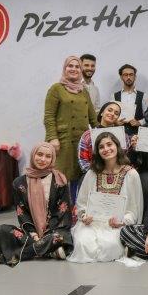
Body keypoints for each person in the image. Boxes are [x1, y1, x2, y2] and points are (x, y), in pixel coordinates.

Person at [0, 143, 73, 266]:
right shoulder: (19, 183)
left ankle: (4, 256)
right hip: (30, 234)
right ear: (33, 155)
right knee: (2, 230)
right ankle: (48, 251)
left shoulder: (59, 180)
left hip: (53, 231)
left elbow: (63, 212)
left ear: (53, 159)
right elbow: (22, 212)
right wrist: (34, 234)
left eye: (48, 156)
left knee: (61, 236)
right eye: (39, 154)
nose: (43, 159)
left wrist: (47, 233)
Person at [67, 132, 143, 263]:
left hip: (117, 224)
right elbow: (81, 203)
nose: (106, 149)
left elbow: (134, 208)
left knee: (110, 246)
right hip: (92, 223)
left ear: (117, 146)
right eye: (101, 147)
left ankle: (125, 247)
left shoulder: (131, 174)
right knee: (83, 244)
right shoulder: (91, 173)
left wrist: (122, 221)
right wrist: (84, 216)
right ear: (97, 152)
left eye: (109, 144)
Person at [44, 56, 98, 199]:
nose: (74, 69)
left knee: (78, 177)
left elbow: (93, 118)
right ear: (65, 68)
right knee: (59, 177)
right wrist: (53, 138)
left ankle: (75, 208)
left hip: (81, 142)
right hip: (62, 141)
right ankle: (58, 210)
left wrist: (104, 135)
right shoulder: (56, 88)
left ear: (80, 70)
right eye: (70, 66)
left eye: (77, 66)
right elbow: (49, 117)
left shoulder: (84, 91)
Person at [78, 101, 130, 174]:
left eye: (116, 113)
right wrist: (96, 174)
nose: (112, 114)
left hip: (118, 175)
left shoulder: (124, 136)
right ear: (102, 113)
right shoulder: (87, 135)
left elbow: (126, 157)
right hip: (94, 174)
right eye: (109, 110)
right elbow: (83, 161)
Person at [113, 64, 146, 136]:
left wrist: (139, 122)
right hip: (119, 134)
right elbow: (111, 115)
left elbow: (147, 116)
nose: (128, 77)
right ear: (121, 77)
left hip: (137, 134)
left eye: (131, 75)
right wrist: (115, 122)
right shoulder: (114, 96)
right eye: (125, 75)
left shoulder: (143, 96)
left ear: (135, 77)